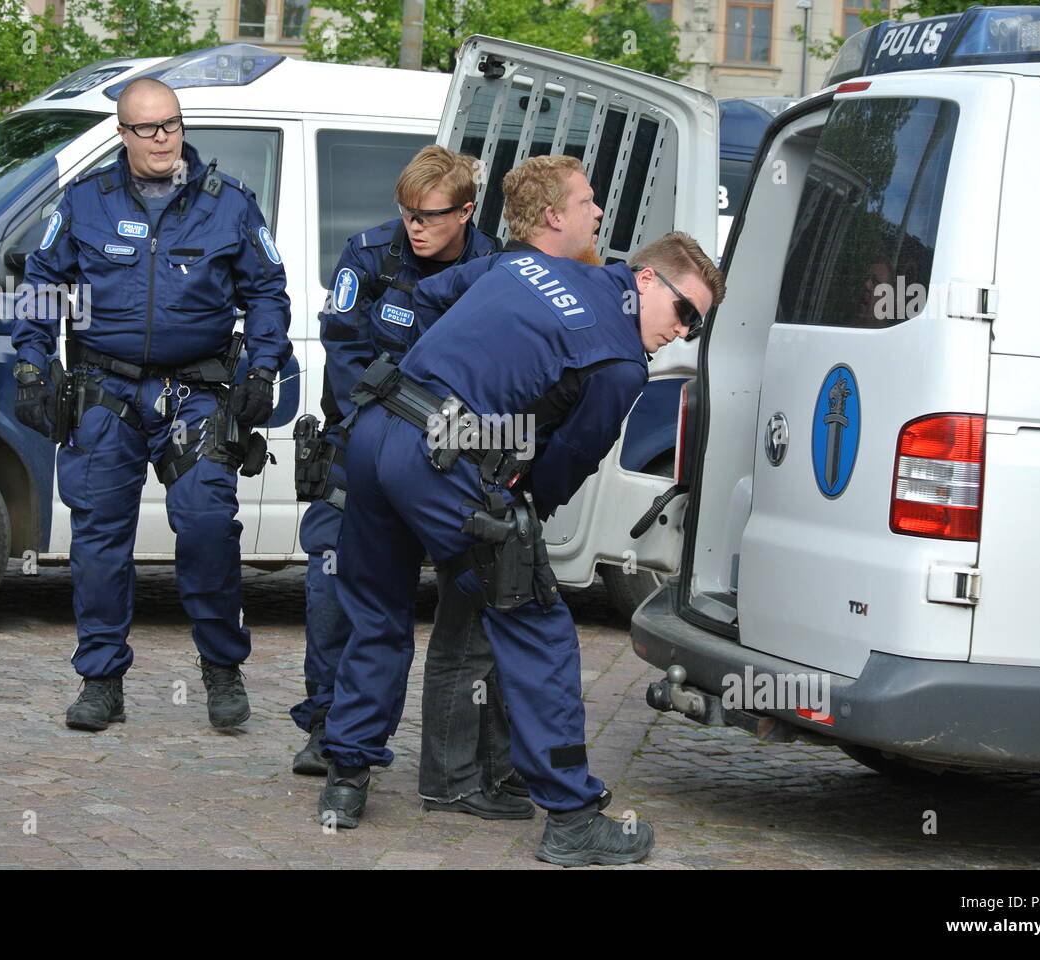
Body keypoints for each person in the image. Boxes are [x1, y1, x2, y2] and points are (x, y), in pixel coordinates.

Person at [317, 229, 724, 865]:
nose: (684, 332)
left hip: (377, 431)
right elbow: (566, 464)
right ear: (647, 279)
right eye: (685, 313)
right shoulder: (619, 362)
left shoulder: (529, 266)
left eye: (696, 326)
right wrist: (514, 510)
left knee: (376, 611)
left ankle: (345, 777)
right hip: (439, 464)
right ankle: (571, 817)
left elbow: (430, 293)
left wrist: (442, 375)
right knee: (538, 628)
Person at [11, 78, 292, 732]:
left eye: (171, 124)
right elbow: (42, 284)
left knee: (204, 529)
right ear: (123, 135)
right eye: (147, 128)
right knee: (99, 539)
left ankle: (222, 666)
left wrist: (264, 365)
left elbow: (269, 292)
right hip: (105, 392)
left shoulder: (230, 206)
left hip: (196, 394)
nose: (163, 137)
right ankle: (102, 679)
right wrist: (32, 362)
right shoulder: (85, 203)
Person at [290, 146, 523, 812]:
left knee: (484, 607)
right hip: (369, 448)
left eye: (430, 215)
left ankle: (465, 771)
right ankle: (336, 738)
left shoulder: (496, 271)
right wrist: (392, 431)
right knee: (340, 594)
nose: (414, 226)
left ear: (467, 211)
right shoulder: (369, 257)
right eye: (407, 213)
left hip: (461, 464)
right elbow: (344, 359)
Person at [407, 155, 605, 816]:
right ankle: (453, 779)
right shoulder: (511, 270)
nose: (598, 213)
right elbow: (424, 310)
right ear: (552, 216)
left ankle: (498, 772)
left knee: (495, 628)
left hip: (500, 471)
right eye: (587, 203)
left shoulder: (517, 268)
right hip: (472, 471)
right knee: (468, 631)